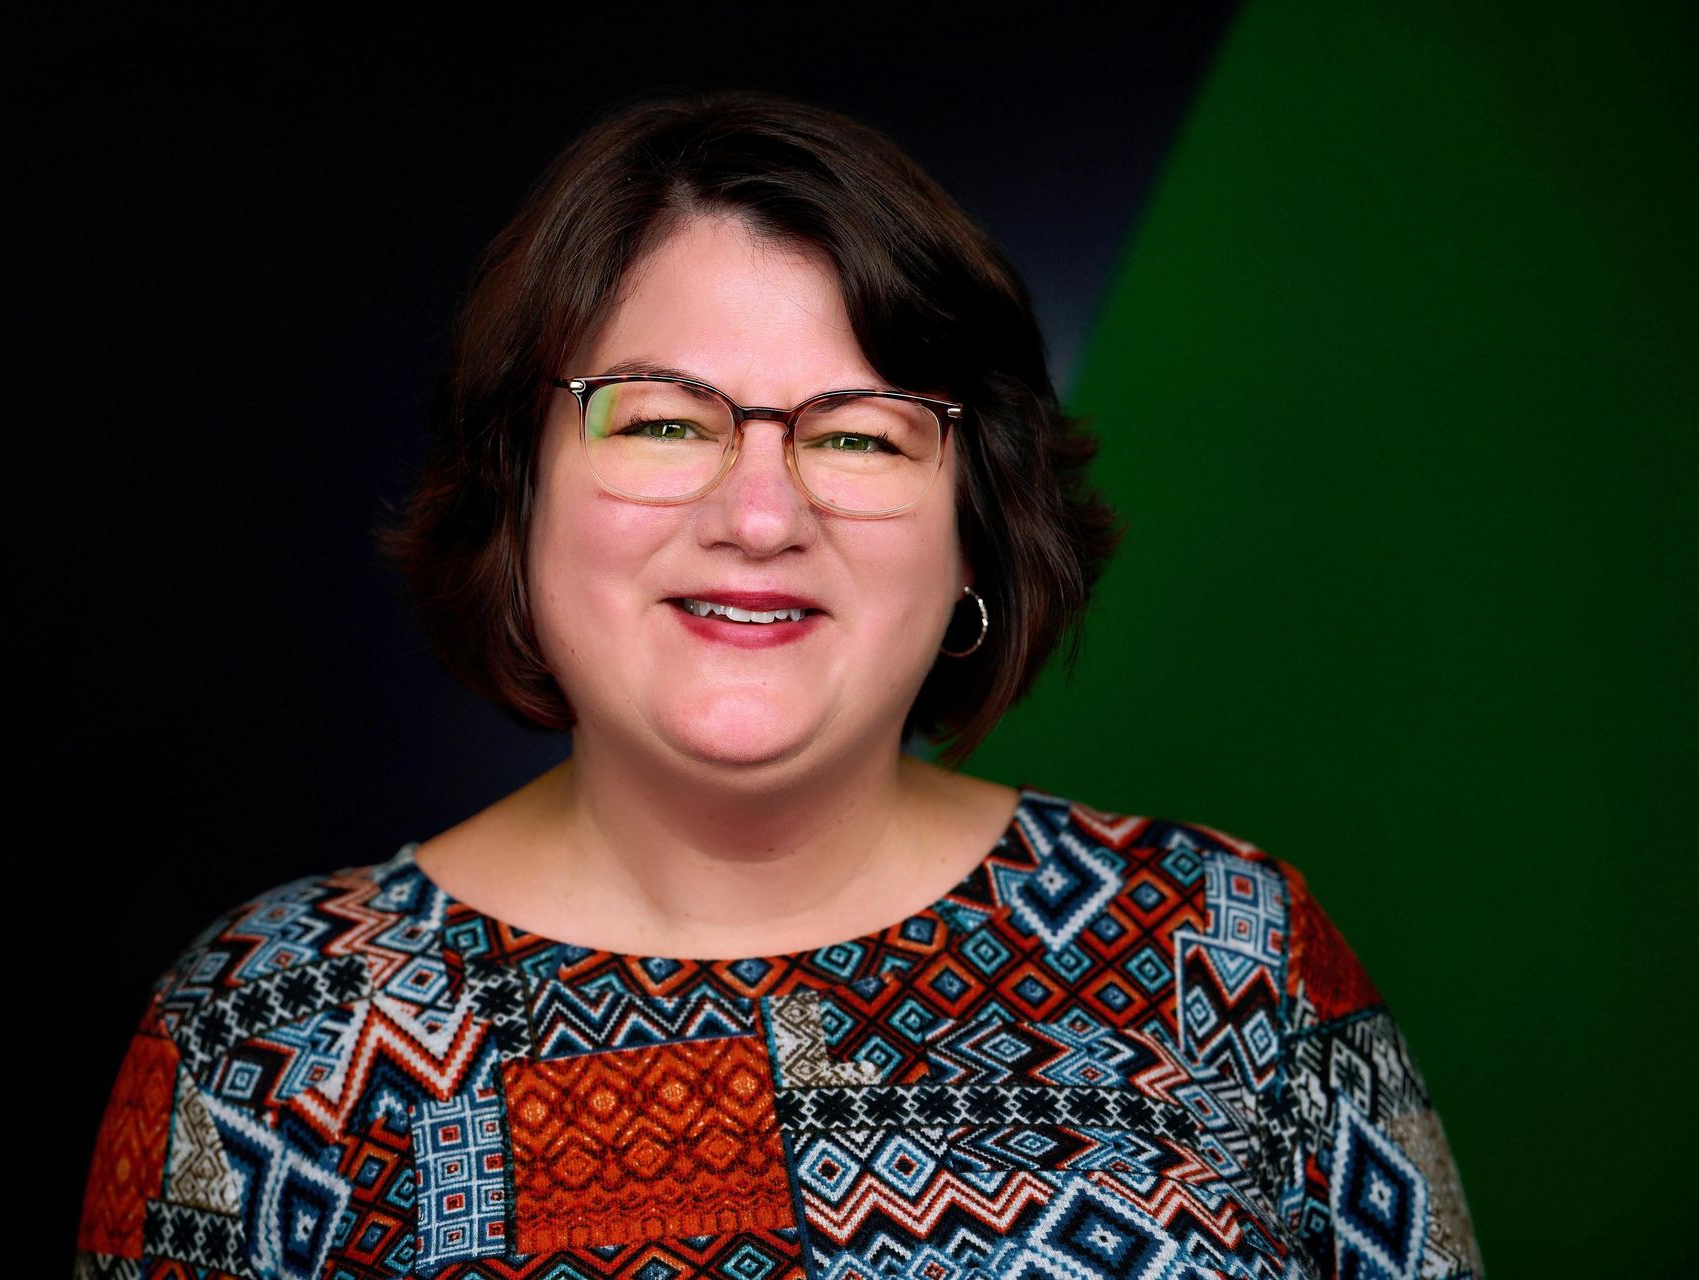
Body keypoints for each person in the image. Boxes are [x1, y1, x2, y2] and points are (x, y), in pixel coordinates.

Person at [74, 89, 1480, 1280]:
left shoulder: (1232, 963)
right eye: (666, 420)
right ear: (521, 496)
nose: (760, 513)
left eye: (861, 438)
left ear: (975, 525)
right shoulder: (273, 1033)